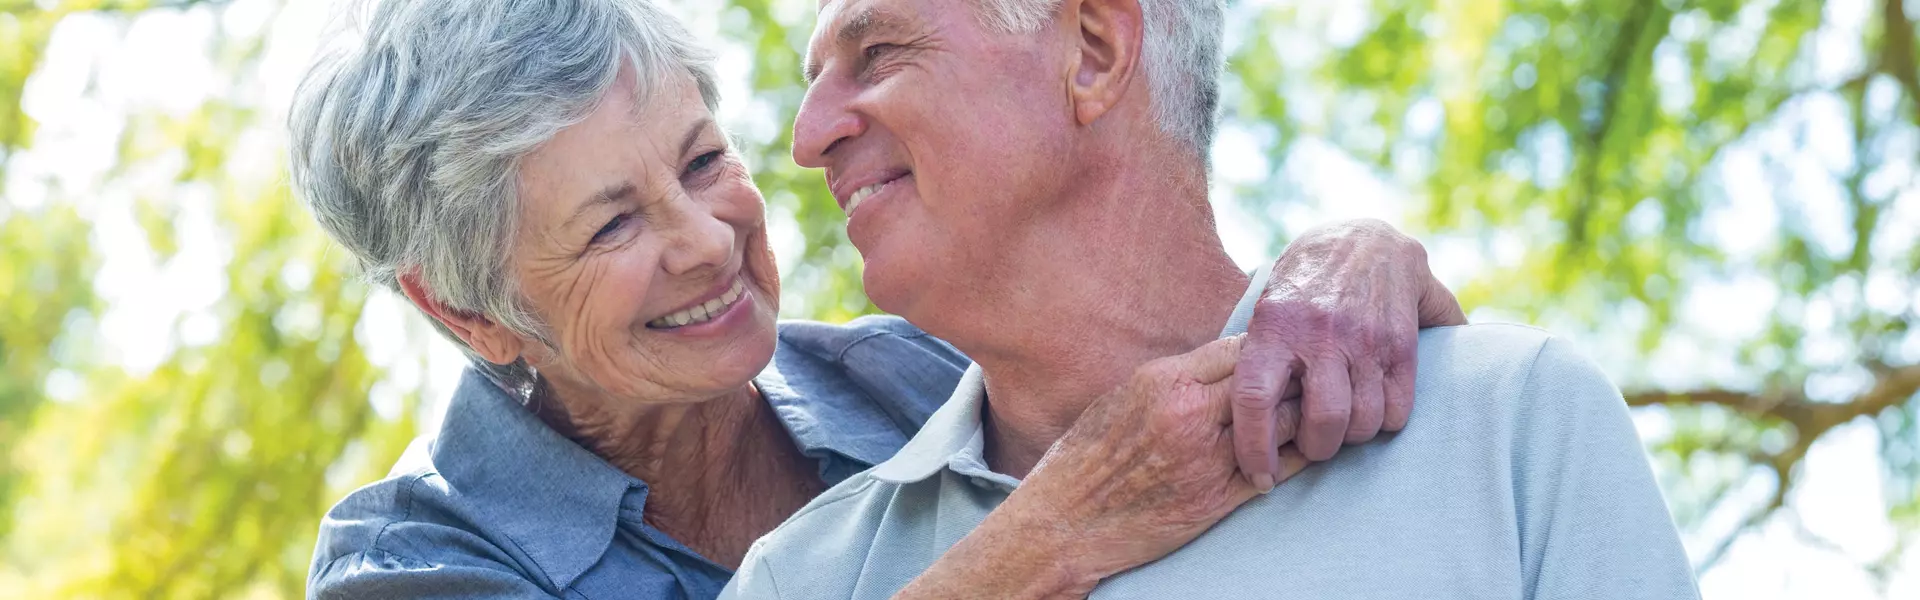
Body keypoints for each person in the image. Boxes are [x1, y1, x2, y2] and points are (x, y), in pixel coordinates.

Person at [287, 0, 1466, 597]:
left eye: (704, 163)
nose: (709, 242)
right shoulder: (418, 562)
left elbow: (1177, 322)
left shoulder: (908, 375)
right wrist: (1045, 540)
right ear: (467, 312)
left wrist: (1349, 259)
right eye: (612, 223)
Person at [721, 0, 1702, 597]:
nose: (806, 139)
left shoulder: (1508, 425)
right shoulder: (798, 578)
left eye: (878, 51)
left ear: (1094, 50)